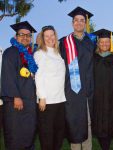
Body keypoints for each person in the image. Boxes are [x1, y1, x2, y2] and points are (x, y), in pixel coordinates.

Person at [59, 6, 95, 150]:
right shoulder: (64, 43)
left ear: (85, 23)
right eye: (76, 20)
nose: (79, 23)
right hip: (71, 89)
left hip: (88, 88)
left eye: (82, 20)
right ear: (72, 23)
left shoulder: (91, 42)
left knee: (87, 122)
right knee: (73, 121)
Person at [1, 21, 38, 150]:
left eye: (28, 35)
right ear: (16, 36)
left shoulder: (30, 56)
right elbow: (8, 76)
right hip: (15, 102)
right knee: (15, 136)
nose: (25, 37)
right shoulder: (10, 52)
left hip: (29, 101)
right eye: (22, 34)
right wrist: (15, 96)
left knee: (29, 134)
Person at [34, 25, 66, 150]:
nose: (49, 38)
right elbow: (38, 76)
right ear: (42, 38)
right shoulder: (40, 54)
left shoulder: (58, 54)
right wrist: (42, 97)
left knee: (58, 135)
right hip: (47, 102)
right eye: (46, 36)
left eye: (52, 35)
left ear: (55, 36)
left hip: (60, 100)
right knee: (47, 137)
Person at [92, 29, 113, 150]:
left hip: (112, 96)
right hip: (97, 97)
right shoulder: (93, 57)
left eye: (107, 42)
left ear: (110, 43)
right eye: (101, 42)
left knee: (110, 123)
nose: (104, 44)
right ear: (98, 43)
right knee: (99, 123)